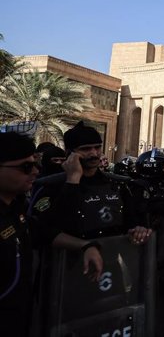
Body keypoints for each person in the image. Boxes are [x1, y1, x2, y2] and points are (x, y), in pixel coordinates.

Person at [0, 132, 103, 337]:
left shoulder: (15, 210)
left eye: (35, 164)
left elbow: (43, 232)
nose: (36, 172)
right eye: (26, 167)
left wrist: (86, 245)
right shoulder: (48, 187)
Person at [32, 121, 151, 242]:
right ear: (70, 153)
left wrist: (139, 230)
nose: (94, 154)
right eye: (86, 149)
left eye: (97, 147)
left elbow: (132, 221)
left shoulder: (118, 184)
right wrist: (72, 181)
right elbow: (46, 229)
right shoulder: (50, 186)